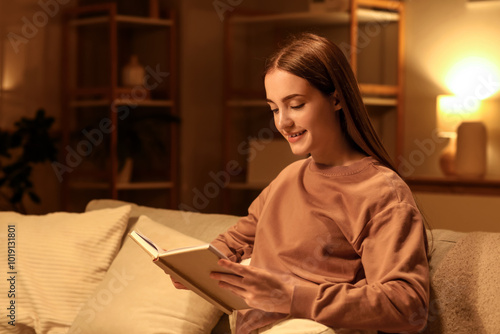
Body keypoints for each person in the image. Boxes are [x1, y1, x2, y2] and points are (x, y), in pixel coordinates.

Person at [174, 33, 430, 334]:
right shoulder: (289, 178)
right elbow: (234, 242)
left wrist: (292, 296)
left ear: (335, 98)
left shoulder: (381, 192)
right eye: (274, 108)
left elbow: (407, 305)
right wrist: (192, 269)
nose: (282, 122)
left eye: (295, 105)